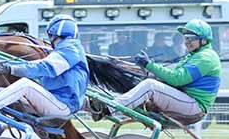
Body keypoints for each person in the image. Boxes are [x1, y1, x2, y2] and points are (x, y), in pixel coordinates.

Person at [0, 14, 90, 119]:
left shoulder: (71, 48)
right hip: (55, 101)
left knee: (25, 85)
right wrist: (2, 65)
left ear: (53, 33)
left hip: (62, 105)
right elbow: (35, 67)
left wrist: (10, 69)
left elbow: (45, 68)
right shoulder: (68, 48)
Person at [92, 19, 221, 125]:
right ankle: (91, 105)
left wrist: (149, 64)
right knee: (144, 83)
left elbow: (177, 79)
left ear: (203, 40)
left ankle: (108, 109)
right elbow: (171, 76)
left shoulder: (206, 57)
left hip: (194, 107)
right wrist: (148, 70)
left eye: (191, 38)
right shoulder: (193, 55)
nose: (187, 41)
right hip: (187, 100)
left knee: (150, 86)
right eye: (185, 37)